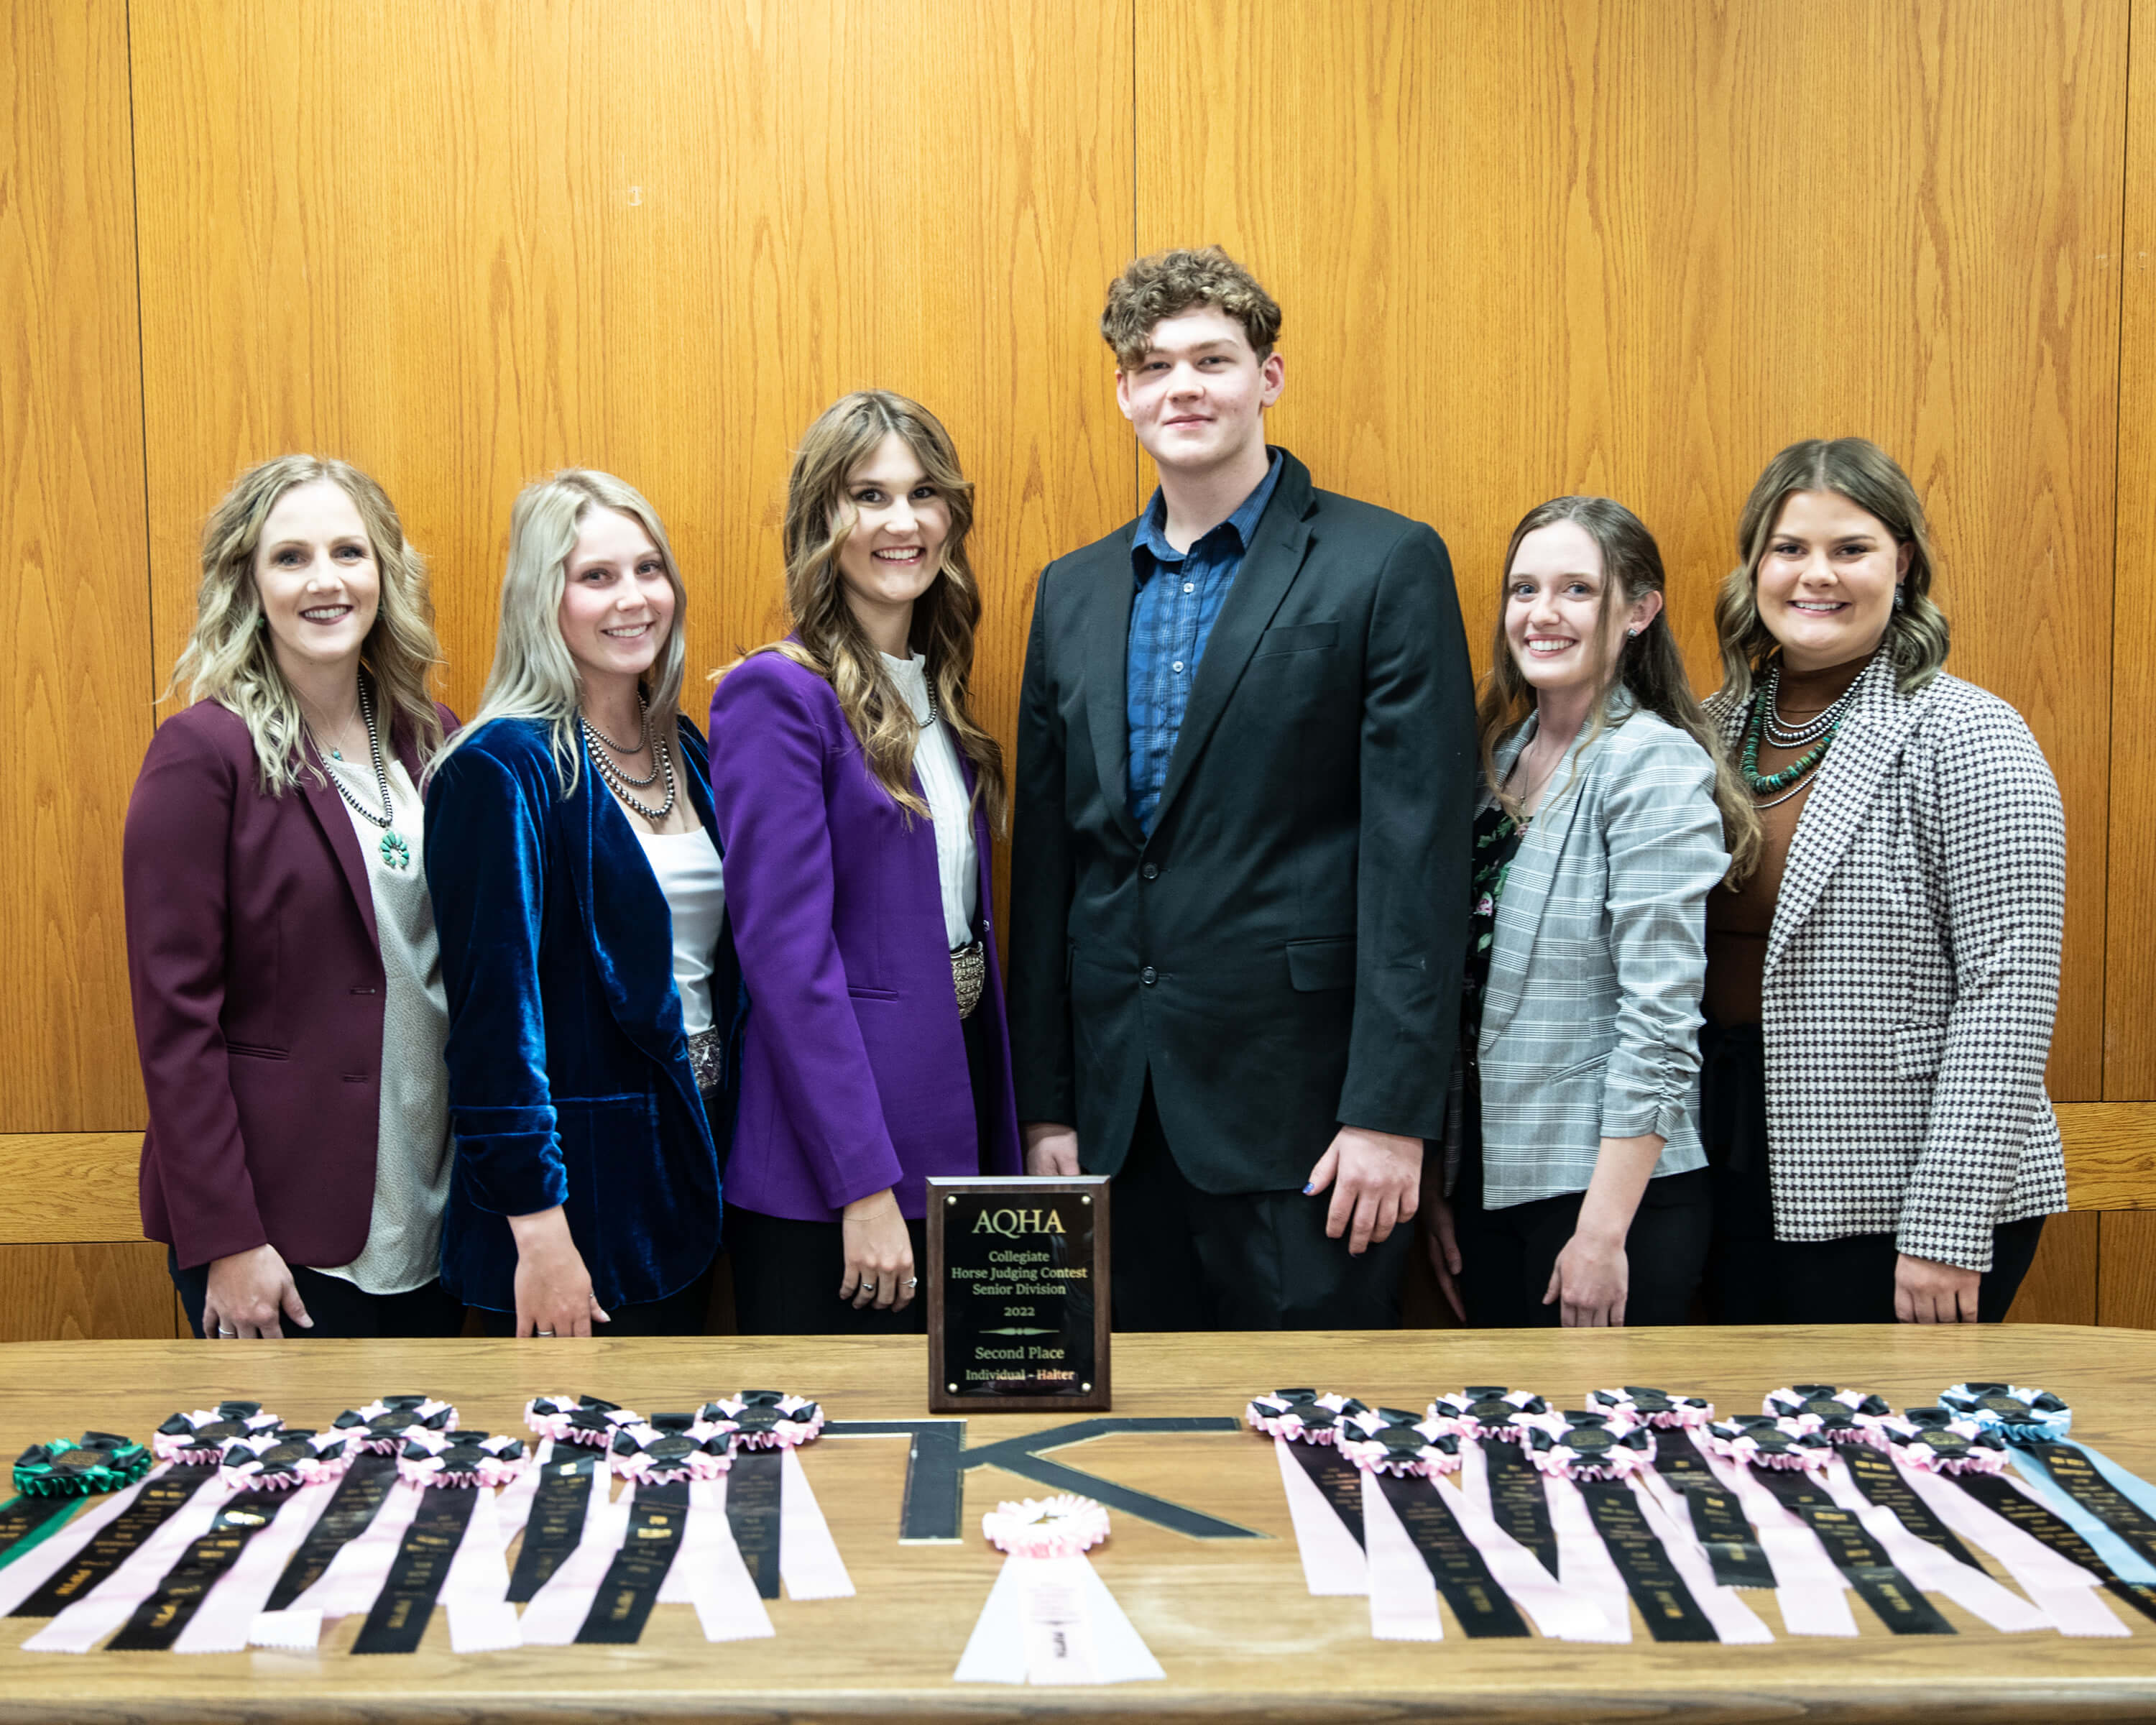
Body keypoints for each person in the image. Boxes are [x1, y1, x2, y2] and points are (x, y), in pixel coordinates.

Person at [1007, 247, 1475, 1331]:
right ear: (1124, 393)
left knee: (1306, 1450)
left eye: (1213, 359)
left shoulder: (1383, 562)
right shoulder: (1072, 591)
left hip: (1310, 1126)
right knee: (1139, 1454)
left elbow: (1418, 861)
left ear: (1268, 377)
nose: (1184, 386)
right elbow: (1048, 868)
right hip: (1118, 1122)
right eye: (1154, 364)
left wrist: (1390, 1114)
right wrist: (1047, 1108)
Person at [1700, 437, 2067, 1324]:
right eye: (1789, 549)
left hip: (1897, 1183)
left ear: (1901, 563)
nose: (1814, 575)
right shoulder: (1707, 727)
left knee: (1871, 1457)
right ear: (1755, 566)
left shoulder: (1968, 732)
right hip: (1718, 1159)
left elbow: (2008, 990)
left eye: (1849, 549)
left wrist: (1947, 1226)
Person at [124, 454, 462, 1341]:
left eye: (350, 553)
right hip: (278, 1238)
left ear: (385, 574)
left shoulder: (435, 741)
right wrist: (229, 1240)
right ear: (248, 582)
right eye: (291, 558)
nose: (326, 581)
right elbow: (174, 1024)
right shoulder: (205, 755)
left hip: (430, 1212)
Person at [709, 392, 1021, 1333]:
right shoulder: (778, 694)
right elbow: (788, 965)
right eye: (867, 495)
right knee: (838, 1471)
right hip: (838, 1176)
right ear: (822, 520)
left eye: (923, 493)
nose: (902, 522)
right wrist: (863, 1185)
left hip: (950, 1125)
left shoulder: (937, 696)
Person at [1422, 497, 1751, 1329]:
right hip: (1497, 1187)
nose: (1542, 614)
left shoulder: (1652, 766)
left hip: (1612, 1205)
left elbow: (1661, 1020)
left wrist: (1602, 1234)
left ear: (1640, 611)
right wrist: (1452, 1183)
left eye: (1577, 590)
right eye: (1524, 589)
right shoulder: (1498, 759)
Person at [425, 469, 737, 1338]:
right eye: (596, 576)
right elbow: (492, 1030)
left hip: (691, 1169)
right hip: (572, 1211)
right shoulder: (500, 770)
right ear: (541, 599)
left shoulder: (689, 752)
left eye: (649, 570)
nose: (633, 598)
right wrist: (540, 1235)